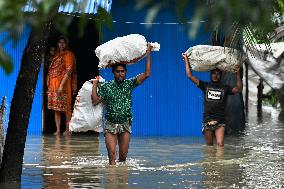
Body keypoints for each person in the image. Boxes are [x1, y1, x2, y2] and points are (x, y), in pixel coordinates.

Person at [92, 44, 153, 165]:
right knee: (111, 156)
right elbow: (95, 101)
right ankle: (111, 181)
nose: (120, 74)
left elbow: (147, 74)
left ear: (126, 72)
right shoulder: (107, 86)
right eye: (118, 71)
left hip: (125, 123)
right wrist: (95, 84)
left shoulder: (129, 84)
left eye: (123, 71)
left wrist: (148, 53)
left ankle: (121, 182)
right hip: (110, 123)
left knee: (123, 157)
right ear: (113, 73)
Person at [182, 53, 243, 147]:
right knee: (209, 147)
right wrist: (186, 59)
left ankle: (219, 162)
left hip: (220, 121)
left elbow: (238, 89)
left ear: (221, 76)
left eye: (218, 73)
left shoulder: (225, 88)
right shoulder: (205, 86)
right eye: (214, 73)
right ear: (211, 75)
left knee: (220, 145)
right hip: (207, 121)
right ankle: (210, 162)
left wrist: (238, 74)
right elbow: (190, 75)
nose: (216, 75)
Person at [47, 36, 77, 136]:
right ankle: (58, 130)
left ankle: (68, 130)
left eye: (63, 42)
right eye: (60, 42)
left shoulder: (69, 55)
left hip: (64, 85)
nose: (61, 44)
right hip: (53, 85)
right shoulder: (56, 55)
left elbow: (69, 71)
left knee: (67, 108)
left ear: (67, 44)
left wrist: (61, 86)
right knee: (56, 108)